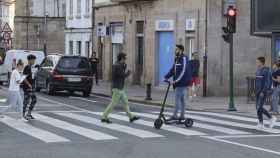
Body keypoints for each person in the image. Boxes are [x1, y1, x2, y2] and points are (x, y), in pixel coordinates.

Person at [101, 53, 140, 124]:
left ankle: (131, 117)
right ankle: (104, 117)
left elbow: (121, 73)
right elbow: (122, 75)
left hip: (120, 88)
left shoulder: (118, 65)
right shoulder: (117, 66)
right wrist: (128, 73)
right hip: (117, 88)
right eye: (125, 58)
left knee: (125, 102)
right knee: (113, 103)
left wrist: (124, 67)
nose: (125, 60)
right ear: (122, 58)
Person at [164, 45, 192, 121]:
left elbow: (183, 71)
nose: (175, 51)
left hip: (182, 83)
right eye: (175, 49)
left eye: (177, 50)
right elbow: (173, 69)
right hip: (178, 83)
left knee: (177, 100)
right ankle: (182, 116)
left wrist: (176, 81)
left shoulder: (184, 58)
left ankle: (175, 115)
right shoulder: (177, 59)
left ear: (181, 50)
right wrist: (166, 77)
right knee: (182, 100)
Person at [255, 57, 277, 129]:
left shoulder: (266, 71)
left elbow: (267, 82)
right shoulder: (258, 70)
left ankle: (271, 118)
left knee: (259, 107)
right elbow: (257, 81)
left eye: (257, 62)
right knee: (257, 108)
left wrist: (263, 91)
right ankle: (261, 123)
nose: (256, 63)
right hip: (257, 92)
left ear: (261, 62)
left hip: (262, 92)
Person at [22, 54, 37, 120]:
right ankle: (23, 114)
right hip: (27, 87)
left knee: (34, 100)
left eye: (34, 60)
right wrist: (29, 85)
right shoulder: (27, 67)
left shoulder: (32, 67)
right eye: (33, 60)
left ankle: (29, 113)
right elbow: (24, 78)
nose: (34, 61)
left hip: (32, 86)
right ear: (29, 60)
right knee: (26, 101)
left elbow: (33, 77)